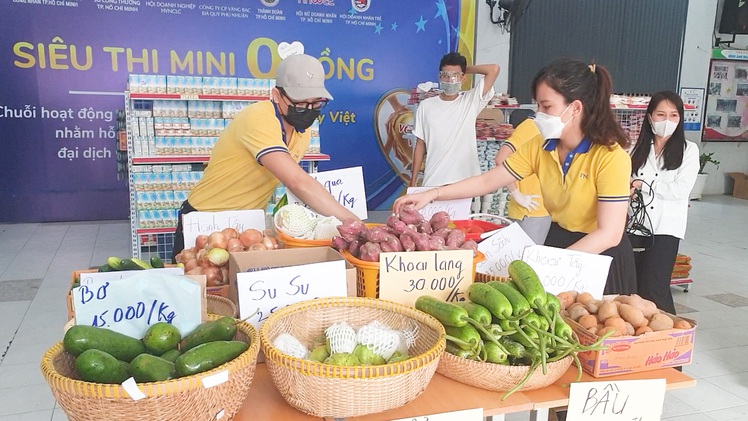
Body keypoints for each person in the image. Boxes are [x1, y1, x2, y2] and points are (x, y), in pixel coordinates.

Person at [394, 59, 636, 295]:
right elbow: (487, 181)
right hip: (560, 240)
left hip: (600, 256)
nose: (538, 113)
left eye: (546, 106)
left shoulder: (610, 157)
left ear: (575, 107)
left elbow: (609, 233)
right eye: (537, 106)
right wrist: (433, 194)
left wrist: (553, 264)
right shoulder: (541, 146)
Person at [172, 53, 359, 258]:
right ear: (276, 95)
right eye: (300, 103)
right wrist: (353, 223)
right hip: (205, 219)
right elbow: (297, 181)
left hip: (247, 226)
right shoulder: (258, 118)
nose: (308, 110)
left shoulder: (301, 132)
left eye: (316, 104)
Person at [628, 91, 699, 314]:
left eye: (673, 115)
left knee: (655, 287)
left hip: (666, 229)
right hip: (636, 225)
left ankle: (672, 337)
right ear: (650, 117)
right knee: (634, 289)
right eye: (660, 114)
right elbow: (625, 180)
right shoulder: (636, 149)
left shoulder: (688, 151)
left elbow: (680, 190)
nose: (667, 121)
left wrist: (643, 185)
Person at [409, 53, 500, 187]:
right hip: (434, 180)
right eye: (446, 75)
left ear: (463, 78)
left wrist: (465, 69)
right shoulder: (426, 106)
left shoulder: (470, 101)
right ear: (439, 76)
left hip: (465, 182)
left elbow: (493, 69)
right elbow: (420, 145)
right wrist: (413, 180)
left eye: (455, 76)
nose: (450, 80)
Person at [493, 118, 552, 245]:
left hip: (546, 209)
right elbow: (501, 158)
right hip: (531, 210)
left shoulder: (553, 130)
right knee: (524, 259)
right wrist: (516, 193)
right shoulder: (531, 127)